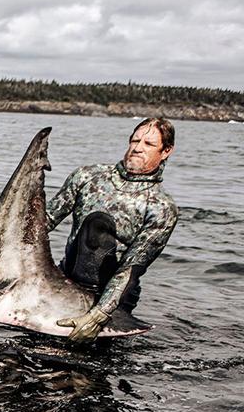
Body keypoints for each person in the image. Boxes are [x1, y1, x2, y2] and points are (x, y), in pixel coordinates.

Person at [48, 118, 178, 342]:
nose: (137, 147)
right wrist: (0, 225)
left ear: (166, 151)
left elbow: (130, 268)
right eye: (135, 140)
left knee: (85, 372)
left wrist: (99, 315)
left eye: (148, 144)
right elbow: (46, 220)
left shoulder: (161, 207)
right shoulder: (87, 177)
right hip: (65, 281)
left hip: (114, 298)